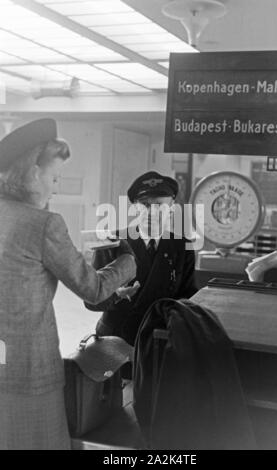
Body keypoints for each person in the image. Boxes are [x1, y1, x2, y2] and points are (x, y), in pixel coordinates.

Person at [0, 119, 136, 450]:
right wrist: (128, 261)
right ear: (32, 173)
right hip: (31, 369)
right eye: (55, 177)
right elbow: (93, 288)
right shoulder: (44, 224)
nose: (57, 187)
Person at [85, 171, 197, 346]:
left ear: (172, 207)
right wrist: (116, 295)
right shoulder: (112, 241)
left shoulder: (182, 246)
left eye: (160, 205)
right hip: (116, 338)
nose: (152, 212)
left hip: (159, 338)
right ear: (135, 207)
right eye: (145, 204)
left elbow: (188, 297)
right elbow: (91, 301)